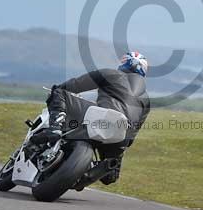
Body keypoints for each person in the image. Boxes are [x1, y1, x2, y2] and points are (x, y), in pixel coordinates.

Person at [29, 51, 150, 184]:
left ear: (125, 63)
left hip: (104, 117)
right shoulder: (146, 100)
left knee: (59, 92)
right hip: (121, 135)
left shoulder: (110, 74)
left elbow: (74, 85)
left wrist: (57, 89)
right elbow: (133, 135)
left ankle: (54, 129)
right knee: (109, 177)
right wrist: (120, 150)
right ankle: (106, 167)